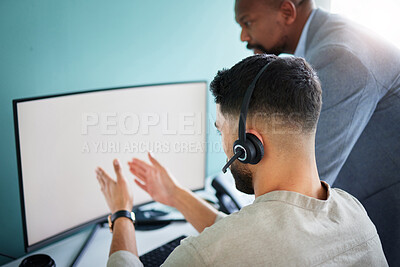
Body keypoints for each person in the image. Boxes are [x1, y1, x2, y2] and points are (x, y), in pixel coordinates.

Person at [96, 55, 388, 266]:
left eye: (221, 130)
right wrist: (176, 195)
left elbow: (234, 246)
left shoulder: (207, 255)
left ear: (248, 145)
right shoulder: (354, 213)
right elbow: (254, 240)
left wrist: (122, 213)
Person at [234, 0, 400, 264]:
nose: (244, 36)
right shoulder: (327, 43)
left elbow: (302, 187)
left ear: (287, 12)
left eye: (247, 22)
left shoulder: (340, 56)